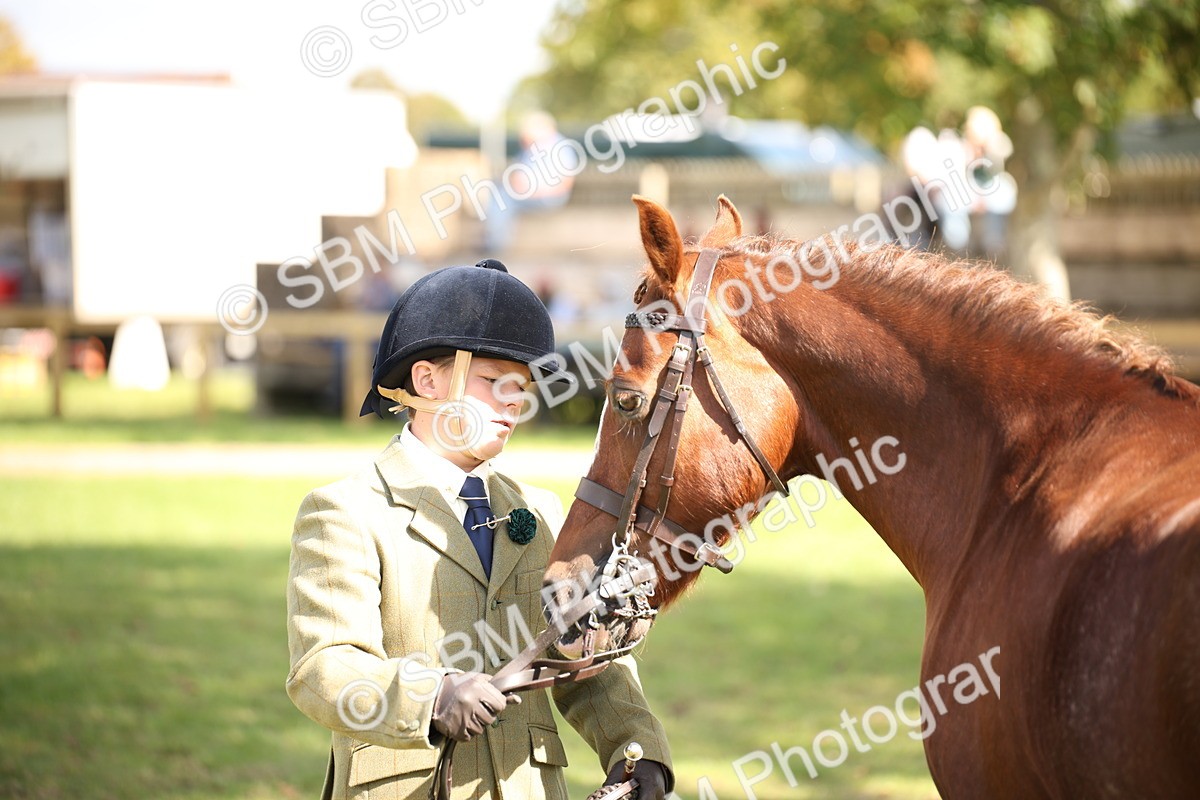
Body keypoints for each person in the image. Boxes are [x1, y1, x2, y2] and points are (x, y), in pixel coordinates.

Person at [285, 258, 673, 800]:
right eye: (495, 382)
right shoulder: (345, 512)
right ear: (427, 380)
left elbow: (580, 658)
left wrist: (640, 751)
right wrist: (432, 697)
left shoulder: (540, 512)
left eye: (523, 386)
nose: (516, 400)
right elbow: (322, 670)